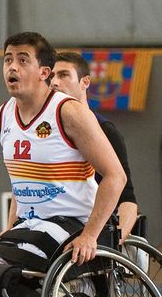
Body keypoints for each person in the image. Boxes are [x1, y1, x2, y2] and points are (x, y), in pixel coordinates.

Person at [0, 32, 126, 297]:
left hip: (72, 222)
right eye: (8, 60)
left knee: (19, 270)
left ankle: (81, 291)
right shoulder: (3, 115)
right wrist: (9, 227)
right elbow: (20, 182)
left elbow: (116, 176)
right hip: (30, 225)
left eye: (23, 60)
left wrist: (90, 235)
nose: (12, 67)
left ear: (44, 71)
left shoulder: (69, 113)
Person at [51, 51, 139, 244]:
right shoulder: (46, 129)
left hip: (92, 226)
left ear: (85, 82)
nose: (54, 82)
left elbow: (128, 201)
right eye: (51, 76)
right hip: (56, 222)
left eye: (63, 75)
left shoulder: (106, 131)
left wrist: (112, 244)